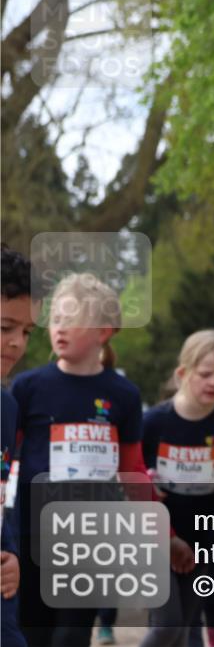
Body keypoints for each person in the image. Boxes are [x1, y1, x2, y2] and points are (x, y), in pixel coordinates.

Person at [11, 272, 148, 647]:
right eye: (55, 318)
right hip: (33, 531)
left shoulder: (124, 394)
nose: (59, 328)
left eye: (72, 319)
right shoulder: (27, 387)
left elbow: (132, 468)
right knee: (32, 632)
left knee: (72, 635)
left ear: (104, 331)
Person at [141, 329, 214, 647]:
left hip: (203, 539)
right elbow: (128, 476)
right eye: (205, 374)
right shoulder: (153, 422)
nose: (213, 382)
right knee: (167, 625)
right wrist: (146, 482)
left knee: (185, 627)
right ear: (182, 374)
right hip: (155, 535)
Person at [1, 246, 40, 647]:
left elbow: (3, 495)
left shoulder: (7, 407)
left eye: (26, 332)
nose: (17, 343)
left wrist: (10, 552)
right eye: (4, 328)